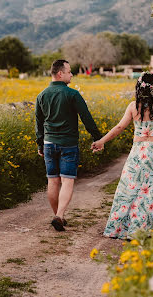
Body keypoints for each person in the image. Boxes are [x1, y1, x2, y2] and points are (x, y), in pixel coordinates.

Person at [91, 72, 153, 239]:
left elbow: (119, 128)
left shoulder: (133, 106)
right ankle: (151, 229)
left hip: (139, 152)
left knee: (130, 189)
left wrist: (101, 141)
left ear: (139, 88)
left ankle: (124, 229)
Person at [35, 59, 103, 232]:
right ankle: (59, 215)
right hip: (68, 144)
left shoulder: (41, 95)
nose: (71, 74)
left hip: (49, 143)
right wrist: (97, 137)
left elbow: (39, 123)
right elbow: (86, 118)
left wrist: (40, 144)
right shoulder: (73, 94)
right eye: (69, 71)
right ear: (60, 74)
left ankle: (58, 216)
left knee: (52, 180)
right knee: (67, 180)